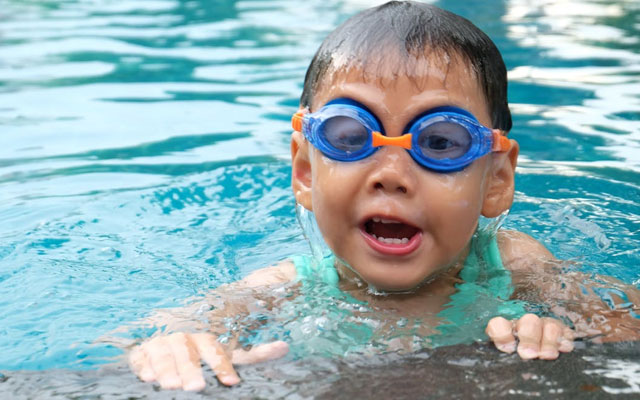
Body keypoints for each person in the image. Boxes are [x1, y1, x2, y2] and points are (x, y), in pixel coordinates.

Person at [127, 1, 640, 391]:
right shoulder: (288, 286)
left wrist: (559, 333)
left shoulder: (513, 264)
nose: (391, 175)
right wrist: (175, 344)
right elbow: (175, 325)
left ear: (497, 180)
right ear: (305, 168)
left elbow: (622, 324)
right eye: (349, 137)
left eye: (440, 141)